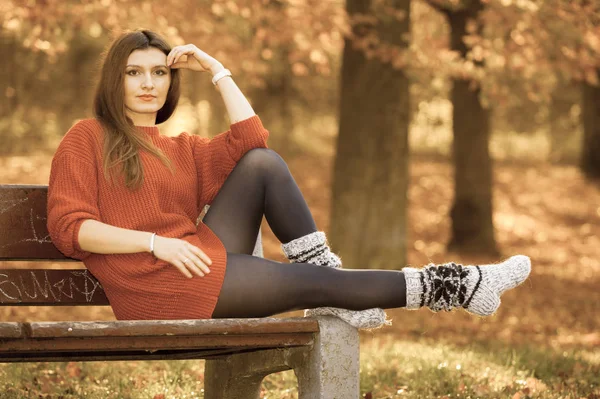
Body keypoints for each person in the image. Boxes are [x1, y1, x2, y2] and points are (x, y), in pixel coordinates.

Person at [46, 29, 531, 330]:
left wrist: (216, 70)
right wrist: (156, 243)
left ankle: (332, 279)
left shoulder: (183, 149)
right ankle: (464, 284)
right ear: (116, 79)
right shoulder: (87, 137)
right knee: (314, 284)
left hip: (196, 261)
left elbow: (252, 137)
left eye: (159, 72)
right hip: (156, 287)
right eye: (134, 72)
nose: (149, 83)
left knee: (263, 162)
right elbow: (71, 230)